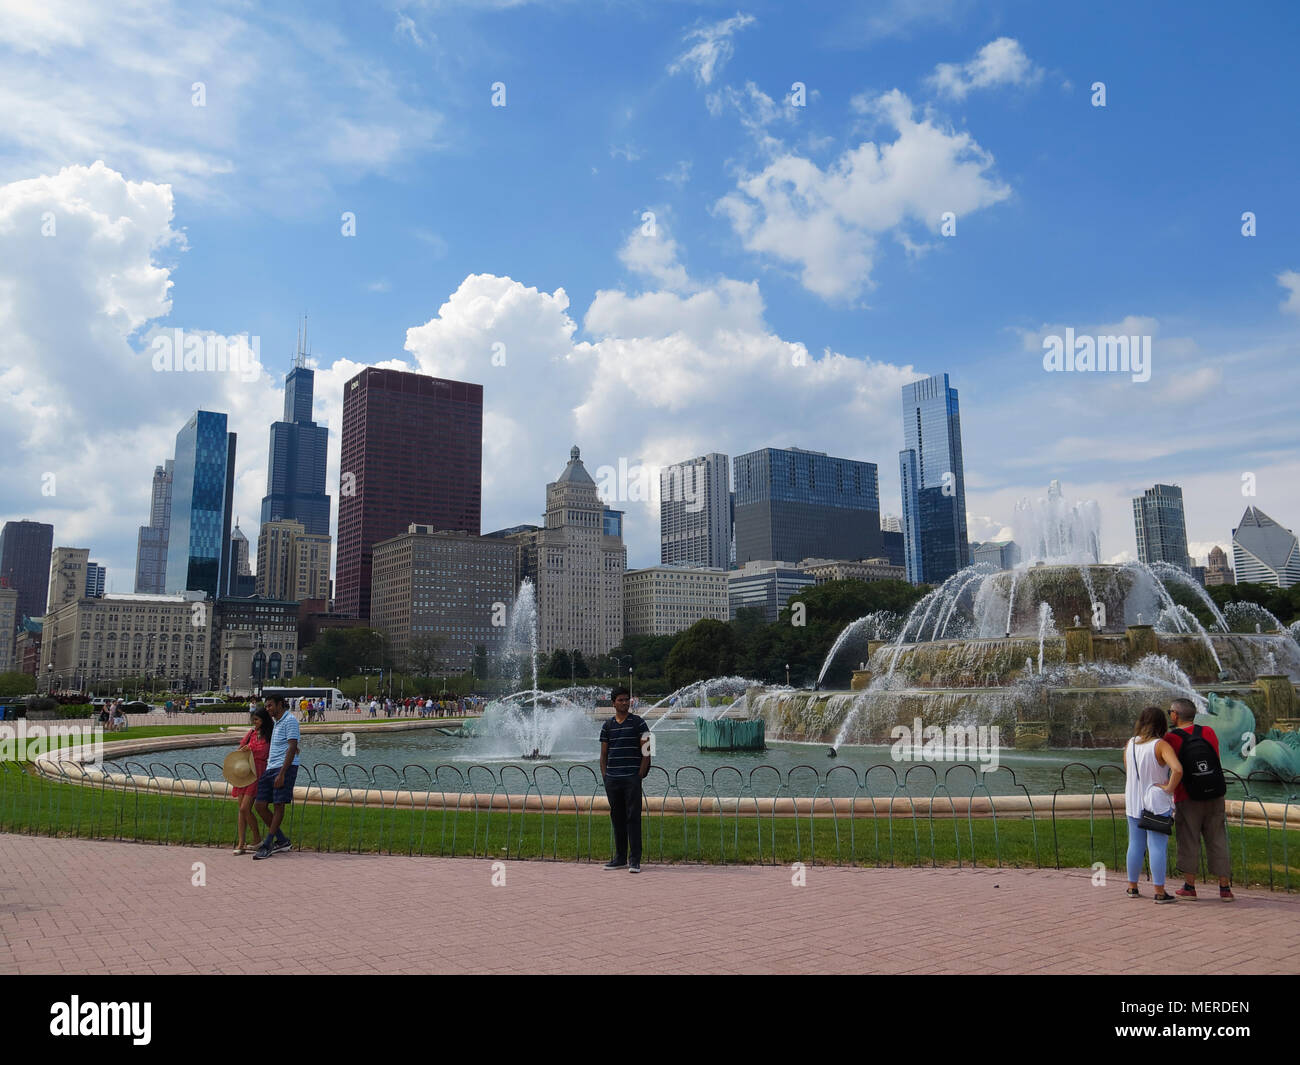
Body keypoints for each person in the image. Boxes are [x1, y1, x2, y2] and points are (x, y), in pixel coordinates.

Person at [1164, 698, 1234, 900]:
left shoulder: (1172, 738)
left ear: (1176, 715)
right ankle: (1225, 888)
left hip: (1187, 796)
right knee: (1218, 838)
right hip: (1215, 794)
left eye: (1171, 712)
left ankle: (1189, 886)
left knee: (1188, 839)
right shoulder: (1208, 732)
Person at [1123, 706, 1182, 902]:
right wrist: (1169, 788)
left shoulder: (1130, 744)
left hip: (1133, 801)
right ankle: (1159, 891)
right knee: (1157, 846)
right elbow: (1178, 769)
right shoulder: (1160, 745)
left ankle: (1132, 887)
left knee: (1135, 844)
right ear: (1161, 724)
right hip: (1155, 803)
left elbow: (1129, 770)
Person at [599, 686, 650, 873]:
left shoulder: (640, 723)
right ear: (613, 703)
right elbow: (603, 754)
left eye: (626, 699)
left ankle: (634, 859)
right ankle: (620, 858)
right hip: (613, 779)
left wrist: (640, 775)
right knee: (617, 818)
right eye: (620, 700)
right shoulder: (607, 726)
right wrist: (605, 776)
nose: (624, 703)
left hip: (631, 778)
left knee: (633, 818)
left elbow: (648, 751)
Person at [252, 694, 300, 860]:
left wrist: (282, 773)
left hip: (284, 768)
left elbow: (292, 746)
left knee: (279, 805)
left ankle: (268, 843)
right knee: (260, 805)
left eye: (270, 705)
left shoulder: (290, 720)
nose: (268, 709)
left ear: (280, 704)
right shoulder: (277, 723)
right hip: (271, 767)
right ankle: (282, 840)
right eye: (266, 706)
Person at [233, 707, 272, 855]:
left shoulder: (269, 735)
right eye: (253, 720)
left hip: (258, 772)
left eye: (257, 719)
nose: (254, 722)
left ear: (264, 720)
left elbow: (269, 751)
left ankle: (257, 839)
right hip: (245, 770)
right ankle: (241, 843)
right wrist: (243, 749)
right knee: (242, 810)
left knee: (245, 808)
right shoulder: (251, 734)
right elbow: (240, 748)